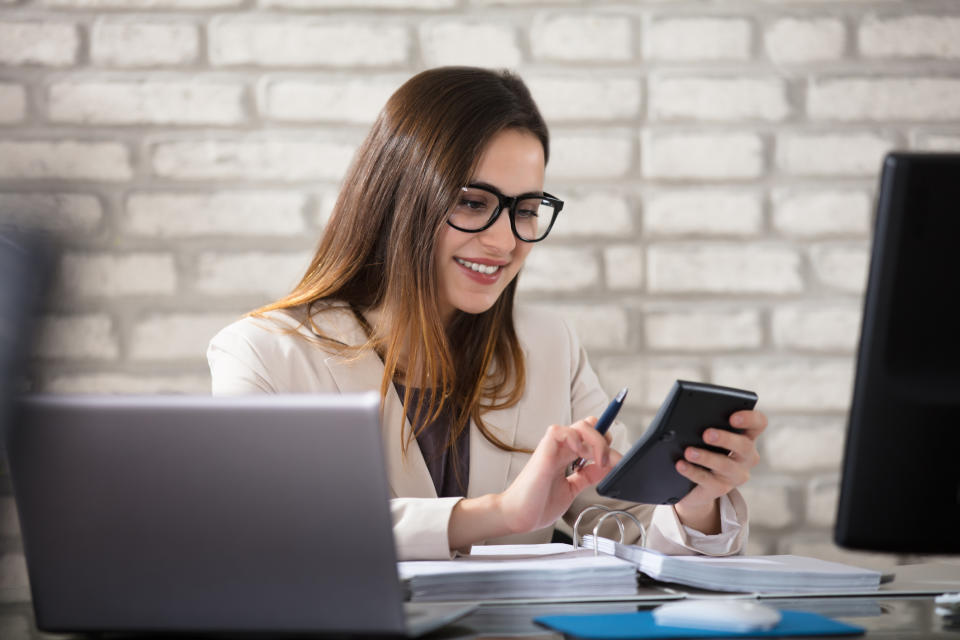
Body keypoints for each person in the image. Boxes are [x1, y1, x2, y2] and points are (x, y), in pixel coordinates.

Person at [208, 67, 767, 561]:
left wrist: (694, 502)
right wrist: (501, 513)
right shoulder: (263, 354)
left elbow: (629, 533)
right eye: (473, 203)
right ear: (401, 198)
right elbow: (264, 533)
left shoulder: (550, 346)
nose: (505, 241)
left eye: (526, 210)